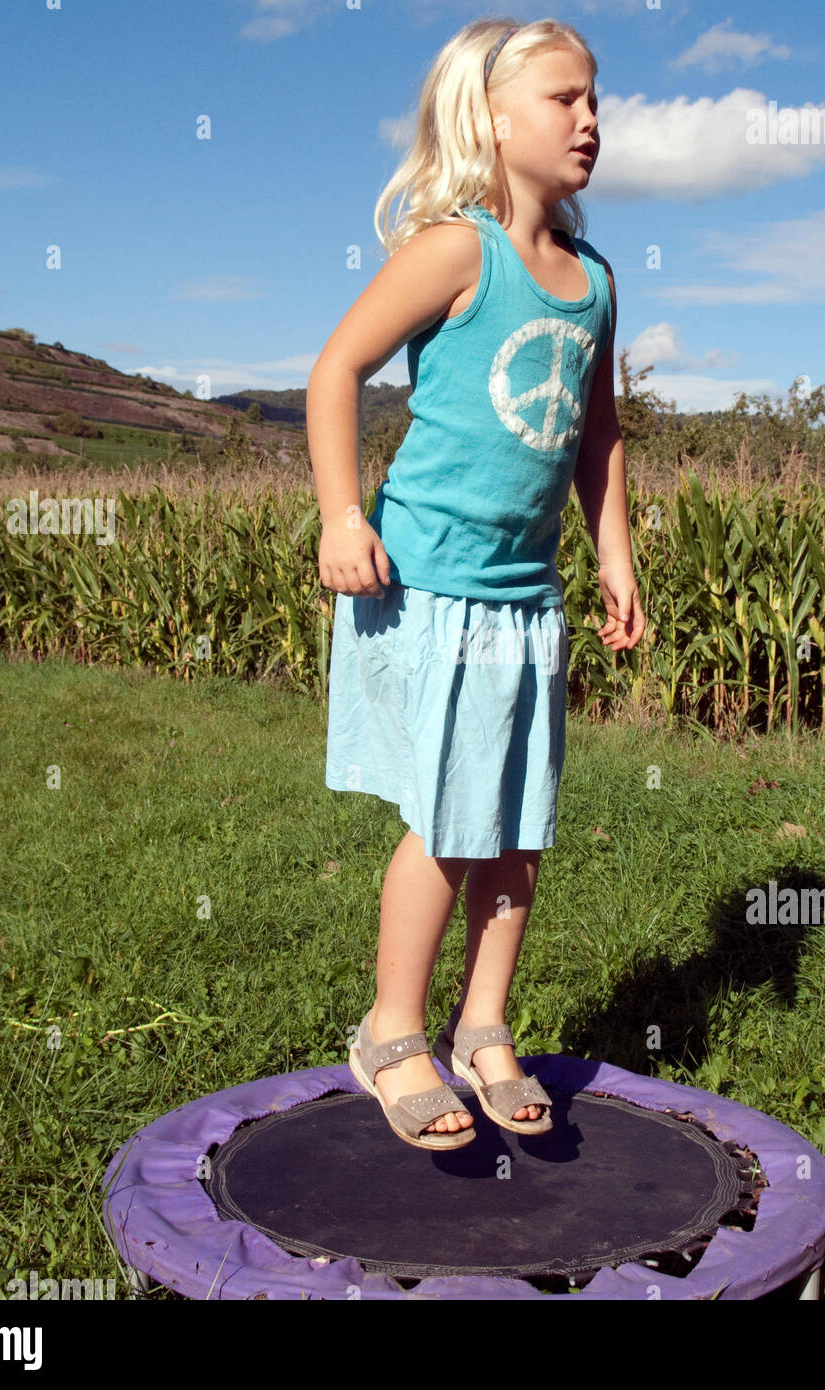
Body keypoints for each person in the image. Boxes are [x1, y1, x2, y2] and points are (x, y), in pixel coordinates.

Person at [309, 17, 645, 1151]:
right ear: (493, 119)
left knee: (521, 824)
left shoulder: (594, 279)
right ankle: (390, 1030)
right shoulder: (459, 250)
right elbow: (334, 369)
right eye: (564, 99)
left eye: (595, 98)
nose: (590, 118)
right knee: (451, 820)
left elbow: (597, 431)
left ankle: (483, 1025)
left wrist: (613, 555)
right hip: (432, 583)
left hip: (525, 595)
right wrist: (341, 516)